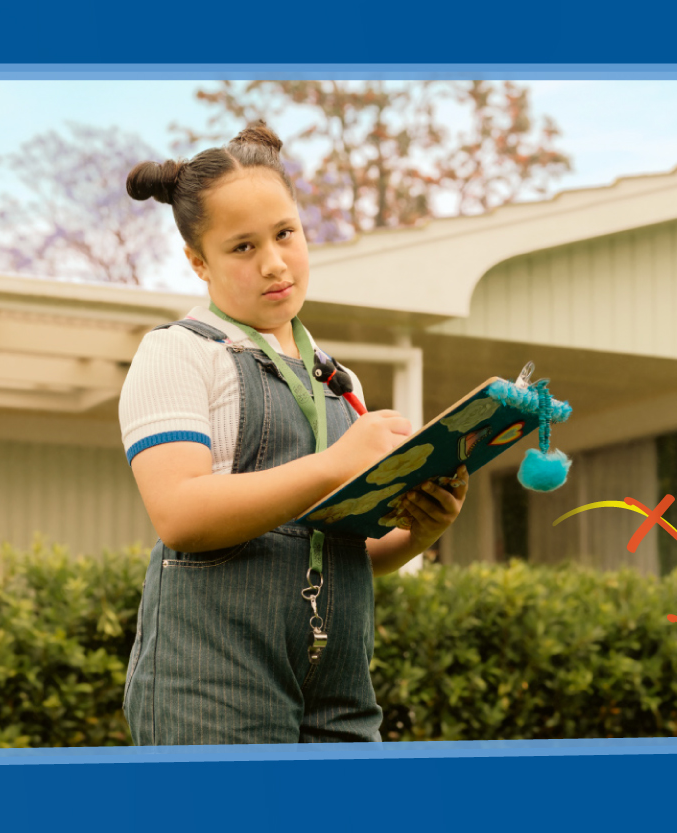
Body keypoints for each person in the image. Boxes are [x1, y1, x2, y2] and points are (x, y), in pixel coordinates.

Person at [115, 122, 466, 744]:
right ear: (198, 261)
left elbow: (341, 548)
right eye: (242, 248)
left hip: (338, 698)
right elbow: (180, 513)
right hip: (212, 695)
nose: (274, 263)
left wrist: (419, 532)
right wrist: (336, 464)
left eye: (285, 234)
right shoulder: (178, 354)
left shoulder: (337, 380)